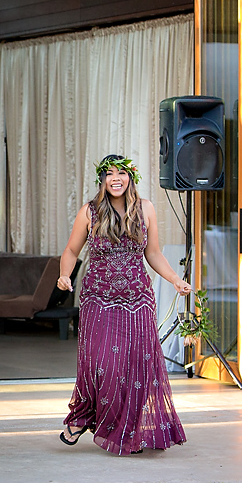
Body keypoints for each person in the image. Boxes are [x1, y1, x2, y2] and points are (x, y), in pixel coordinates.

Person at [56, 154, 189, 455]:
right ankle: (84, 416)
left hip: (137, 300)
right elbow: (71, 250)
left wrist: (174, 279)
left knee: (136, 369)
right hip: (98, 300)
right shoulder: (89, 212)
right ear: (102, 180)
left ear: (131, 177)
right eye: (109, 174)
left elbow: (153, 253)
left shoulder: (146, 210)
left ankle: (128, 432)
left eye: (121, 173)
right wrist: (64, 274)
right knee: (103, 365)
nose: (116, 178)